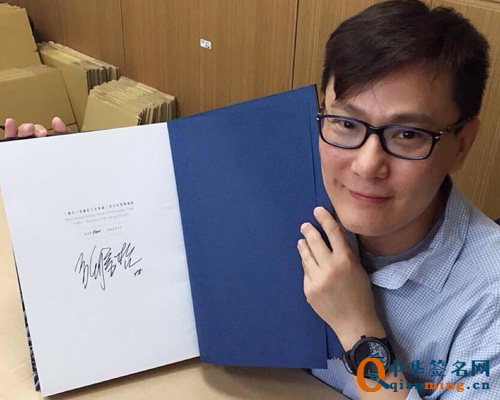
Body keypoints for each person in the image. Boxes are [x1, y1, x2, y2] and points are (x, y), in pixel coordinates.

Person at [4, 0, 499, 399]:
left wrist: (360, 333)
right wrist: (62, 184)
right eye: (346, 123)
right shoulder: (282, 187)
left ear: (462, 144)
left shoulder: (487, 301)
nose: (367, 165)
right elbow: (157, 245)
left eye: (408, 134)